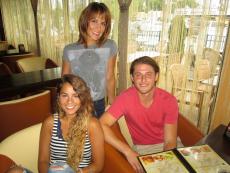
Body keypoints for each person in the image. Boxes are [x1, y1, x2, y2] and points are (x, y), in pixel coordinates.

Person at [100, 56, 179, 173]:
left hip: (167, 147)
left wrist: (165, 163)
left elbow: (170, 142)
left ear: (156, 76)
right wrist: (127, 151)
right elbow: (101, 124)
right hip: (143, 149)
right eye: (138, 75)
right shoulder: (125, 98)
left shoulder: (169, 100)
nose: (143, 79)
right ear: (132, 78)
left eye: (148, 74)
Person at [38, 74, 104, 173]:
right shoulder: (49, 123)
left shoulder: (92, 125)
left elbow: (98, 165)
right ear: (58, 97)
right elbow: (43, 161)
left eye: (75, 96)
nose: (70, 101)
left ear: (83, 98)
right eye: (65, 95)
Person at [62, 2, 117, 118]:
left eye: (103, 23)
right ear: (84, 21)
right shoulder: (69, 49)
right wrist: (65, 104)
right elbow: (65, 80)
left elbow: (110, 76)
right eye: (94, 21)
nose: (99, 28)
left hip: (98, 103)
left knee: (98, 134)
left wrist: (113, 102)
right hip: (76, 103)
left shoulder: (110, 46)